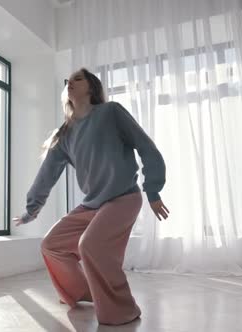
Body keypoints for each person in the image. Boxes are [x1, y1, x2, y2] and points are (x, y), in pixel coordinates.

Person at [13, 68, 169, 326]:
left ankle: (122, 309)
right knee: (51, 245)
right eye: (67, 81)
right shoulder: (65, 133)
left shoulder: (111, 113)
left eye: (78, 78)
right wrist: (32, 209)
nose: (70, 83)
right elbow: (47, 173)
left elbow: (145, 146)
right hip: (92, 204)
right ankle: (84, 291)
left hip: (123, 197)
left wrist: (152, 189)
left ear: (91, 87)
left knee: (91, 246)